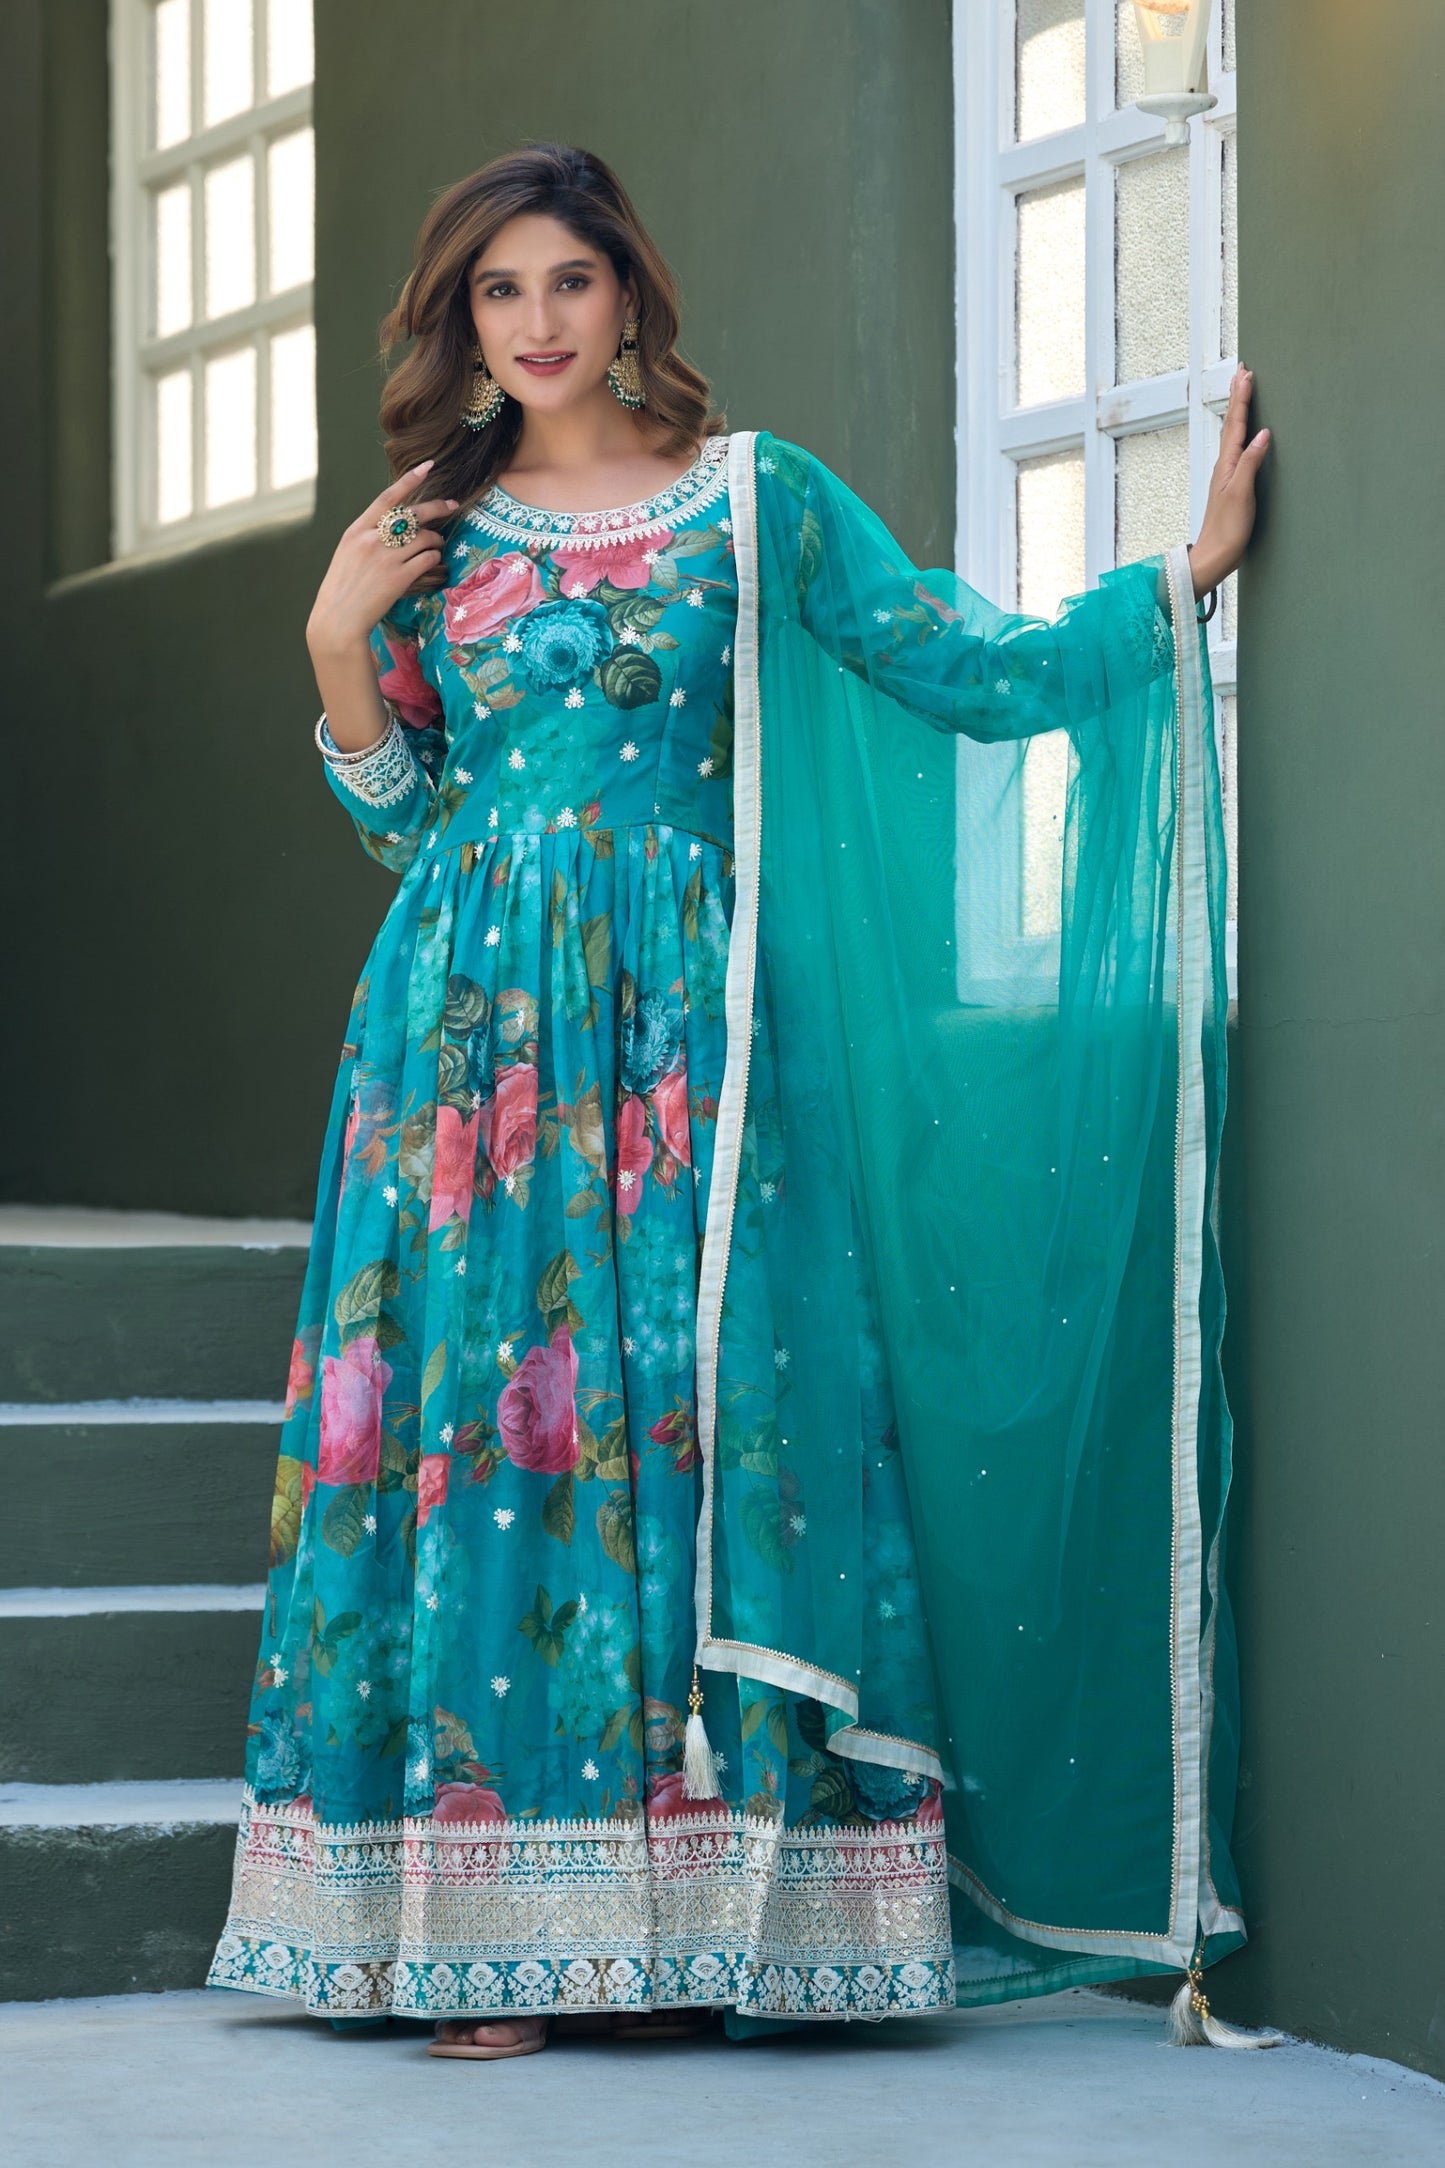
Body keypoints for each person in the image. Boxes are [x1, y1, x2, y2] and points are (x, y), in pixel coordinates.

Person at [208, 142, 1268, 2061]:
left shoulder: (753, 497)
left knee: (709, 1420)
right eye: (498, 291)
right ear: (463, 321)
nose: (535, 323)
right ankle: (484, 1934)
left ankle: (706, 1928)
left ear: (630, 293)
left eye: (569, 281)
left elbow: (948, 659)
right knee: (489, 1435)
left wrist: (1167, 588)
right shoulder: (427, 534)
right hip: (465, 1052)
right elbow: (406, 823)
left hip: (692, 1038)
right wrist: (330, 647)